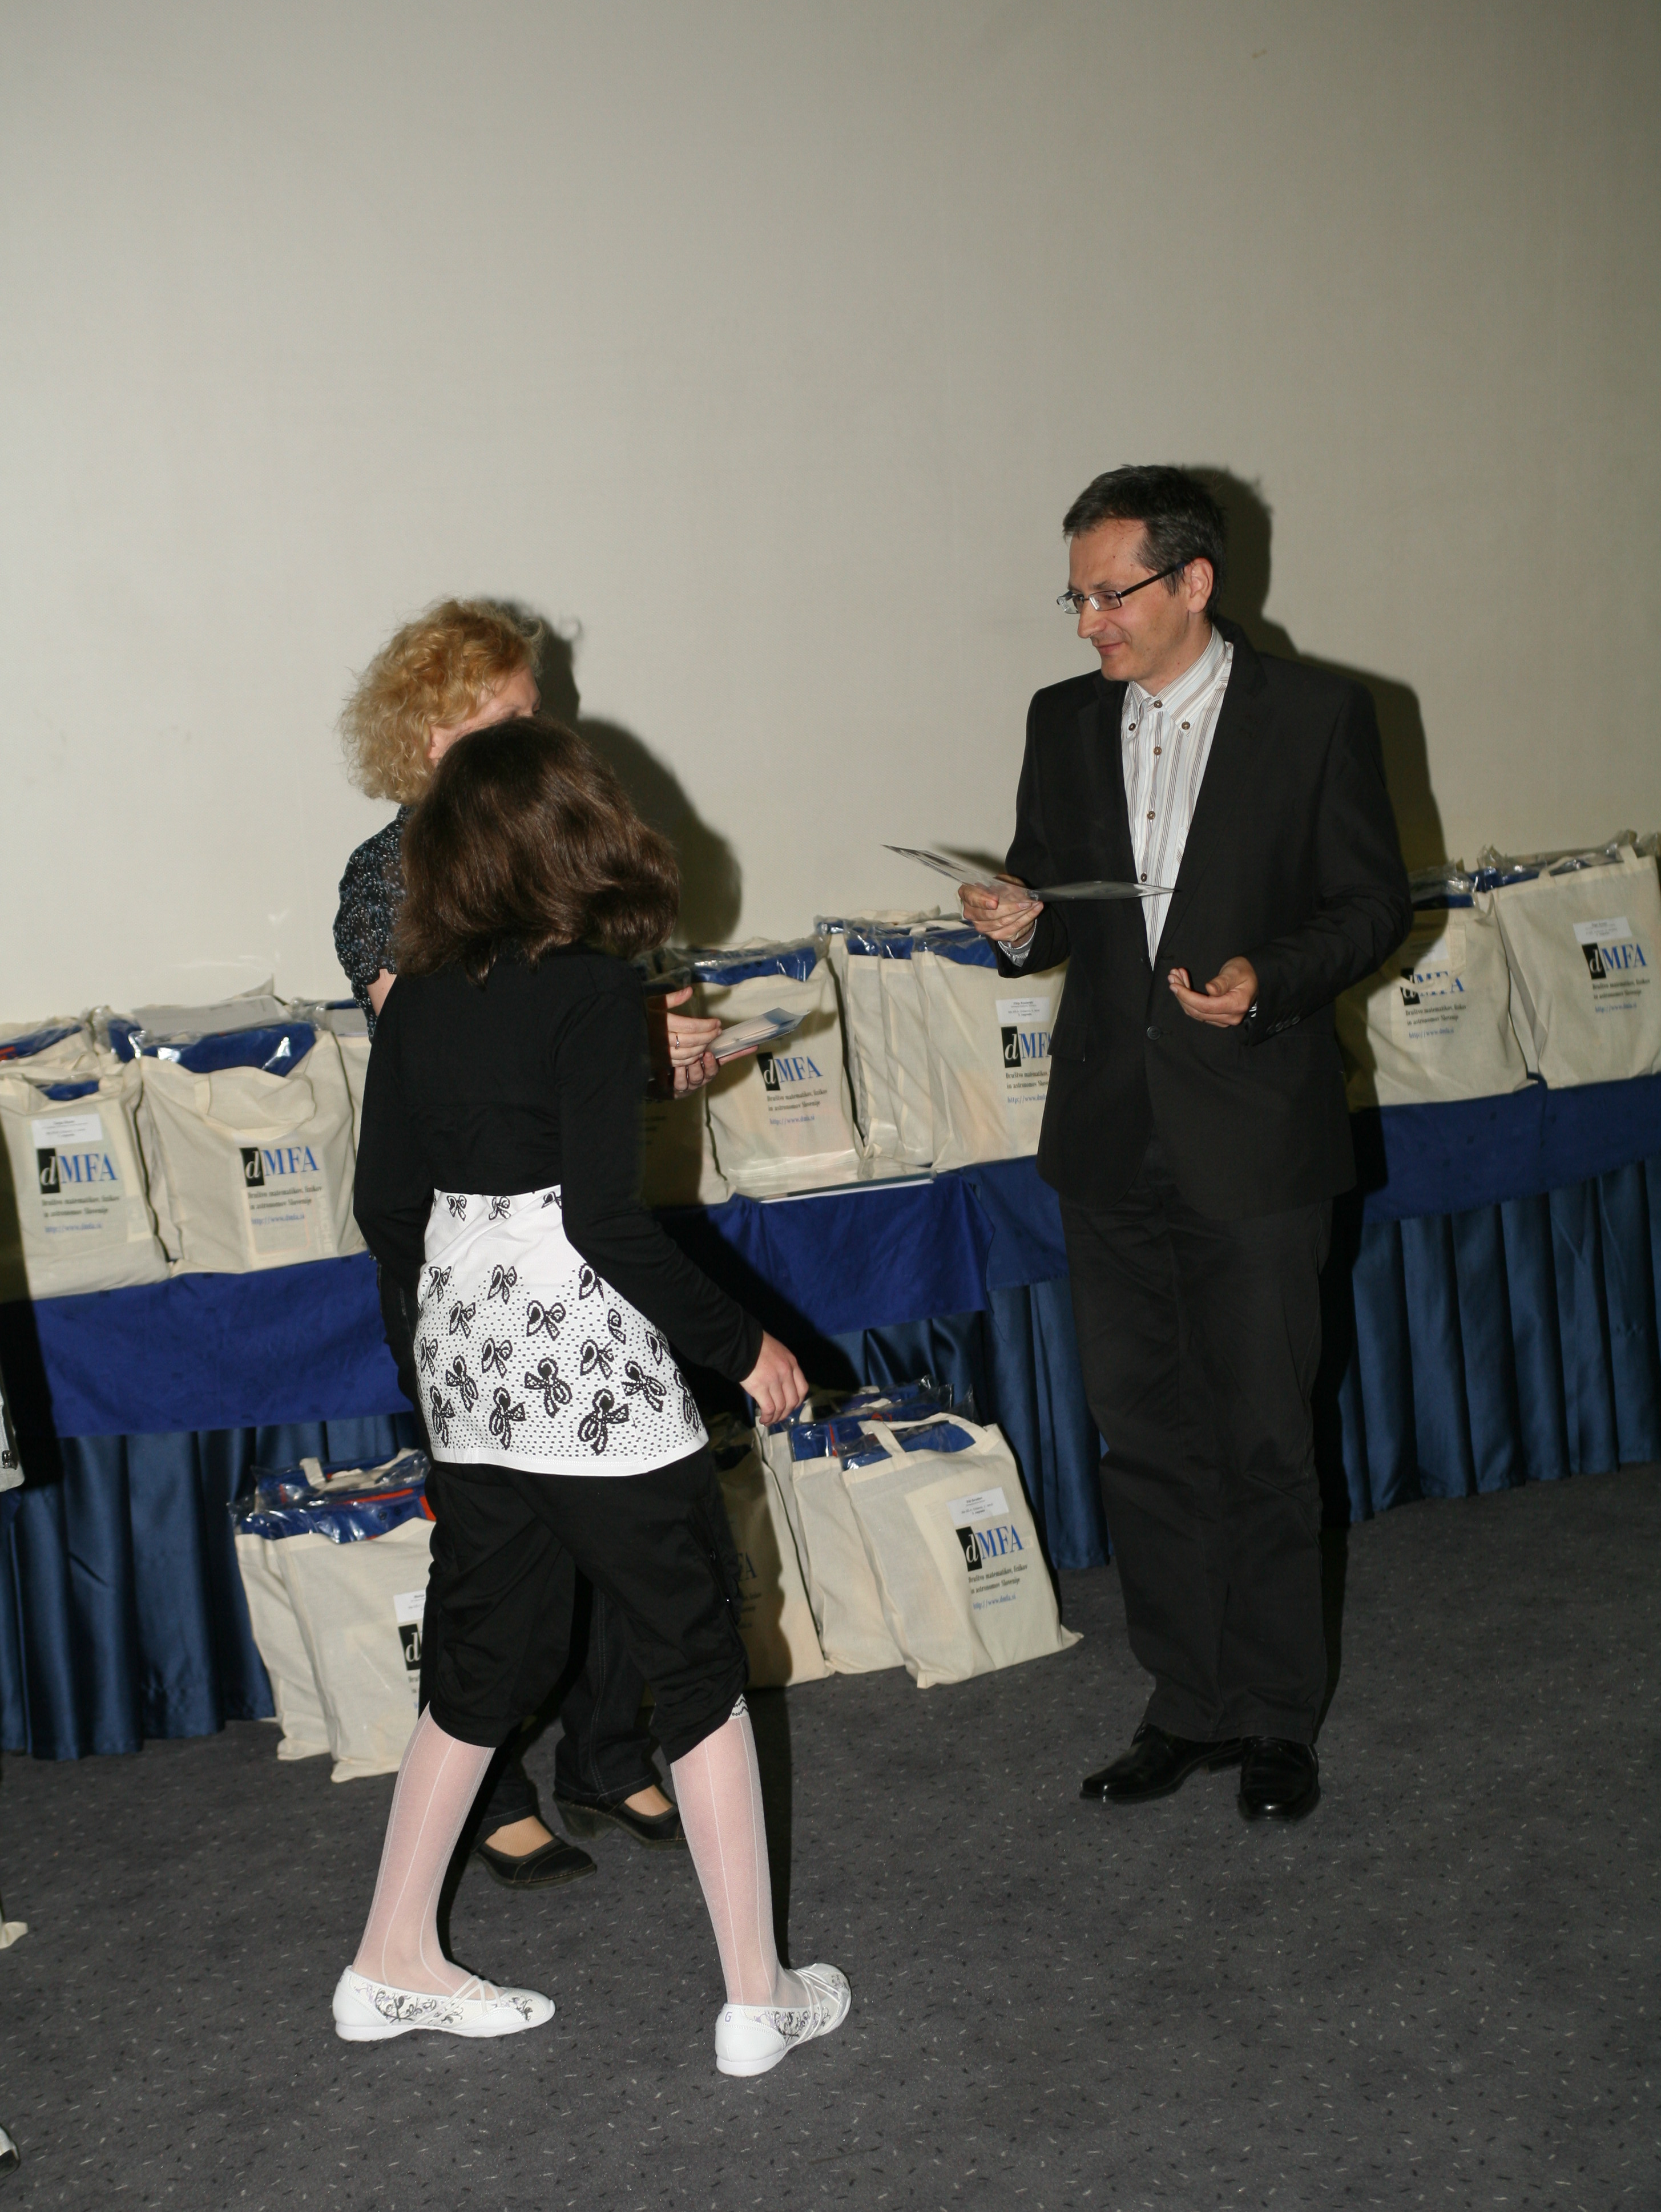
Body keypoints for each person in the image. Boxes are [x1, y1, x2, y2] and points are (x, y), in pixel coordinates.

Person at [340, 713, 849, 2073]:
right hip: (587, 1375)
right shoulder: (592, 992)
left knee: (478, 1655)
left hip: (464, 1368)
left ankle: (388, 1959)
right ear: (579, 834)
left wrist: (449, 1348)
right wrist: (745, 1346)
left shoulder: (419, 996)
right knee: (693, 1654)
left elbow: (384, 1211)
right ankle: (758, 1996)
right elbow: (607, 1223)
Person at [961, 466, 1411, 1825]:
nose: (1089, 621)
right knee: (1144, 1435)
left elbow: (1370, 906)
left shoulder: (1317, 714)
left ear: (1193, 581)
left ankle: (1274, 1715)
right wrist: (1017, 923)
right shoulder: (1058, 719)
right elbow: (1052, 897)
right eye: (1076, 598)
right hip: (1107, 1134)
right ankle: (1187, 1700)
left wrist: (1268, 980)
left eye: (1112, 594)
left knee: (1262, 1437)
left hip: (1254, 1133)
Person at [334, 601, 724, 1885]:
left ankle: (608, 1753)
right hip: (469, 1263)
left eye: (531, 709)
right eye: (499, 715)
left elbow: (573, 1048)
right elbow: (465, 1079)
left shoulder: (554, 852)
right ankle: (491, 1781)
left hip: (584, 1258)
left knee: (624, 1518)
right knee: (492, 1554)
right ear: (427, 735)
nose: (530, 733)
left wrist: (658, 1052)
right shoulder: (389, 879)